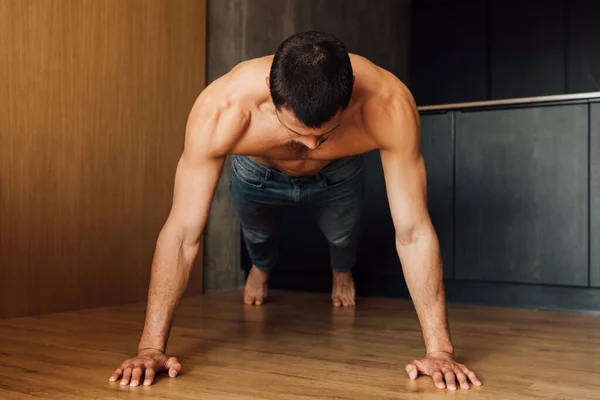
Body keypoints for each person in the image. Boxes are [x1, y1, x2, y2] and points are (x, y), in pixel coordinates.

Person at [109, 31, 482, 391]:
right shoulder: (222, 108)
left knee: (342, 235)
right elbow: (181, 234)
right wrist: (150, 349)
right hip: (257, 172)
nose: (309, 145)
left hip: (339, 174)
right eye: (297, 131)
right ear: (272, 93)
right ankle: (261, 265)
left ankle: (341, 269)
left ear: (348, 98)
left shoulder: (388, 103)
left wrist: (440, 352)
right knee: (258, 235)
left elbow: (414, 232)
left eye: (324, 134)